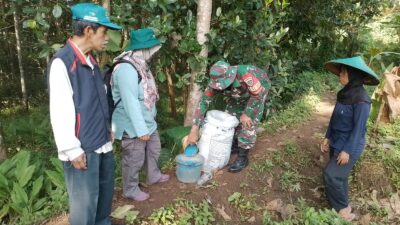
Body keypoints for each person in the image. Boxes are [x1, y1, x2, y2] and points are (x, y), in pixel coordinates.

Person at [47, 3, 121, 225]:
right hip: (82, 149)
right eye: (104, 31)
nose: (106, 37)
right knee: (84, 207)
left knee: (104, 198)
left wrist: (108, 129)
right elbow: (60, 110)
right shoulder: (63, 62)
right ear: (89, 30)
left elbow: (97, 101)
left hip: (101, 142)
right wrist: (71, 149)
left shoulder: (91, 60)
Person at [111, 28, 169, 202]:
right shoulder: (125, 69)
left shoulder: (140, 64)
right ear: (141, 48)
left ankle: (153, 175)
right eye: (150, 48)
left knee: (154, 149)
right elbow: (130, 102)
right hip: (132, 125)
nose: (153, 51)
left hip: (147, 120)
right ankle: (130, 189)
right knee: (134, 158)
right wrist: (141, 129)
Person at [321, 56, 380, 221]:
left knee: (331, 174)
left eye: (343, 74)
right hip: (336, 140)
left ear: (352, 76)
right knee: (340, 176)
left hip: (350, 144)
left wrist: (347, 151)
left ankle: (343, 209)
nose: (340, 76)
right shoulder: (343, 94)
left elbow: (358, 129)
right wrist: (327, 137)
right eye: (340, 73)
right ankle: (343, 205)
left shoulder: (362, 100)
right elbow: (334, 117)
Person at [186, 61, 271, 173]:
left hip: (258, 91)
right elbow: (203, 102)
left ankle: (243, 157)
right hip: (239, 94)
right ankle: (236, 143)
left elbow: (257, 96)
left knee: (247, 122)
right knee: (230, 118)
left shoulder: (247, 75)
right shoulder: (215, 80)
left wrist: (247, 114)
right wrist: (195, 128)